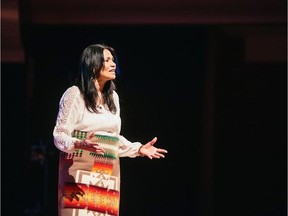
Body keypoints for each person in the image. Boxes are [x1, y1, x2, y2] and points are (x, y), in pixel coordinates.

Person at [53, 43, 168, 216]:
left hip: (107, 170)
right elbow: (59, 135)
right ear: (93, 66)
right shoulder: (75, 94)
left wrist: (138, 149)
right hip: (78, 168)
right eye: (107, 60)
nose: (113, 64)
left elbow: (113, 138)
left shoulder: (112, 97)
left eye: (113, 60)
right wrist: (80, 143)